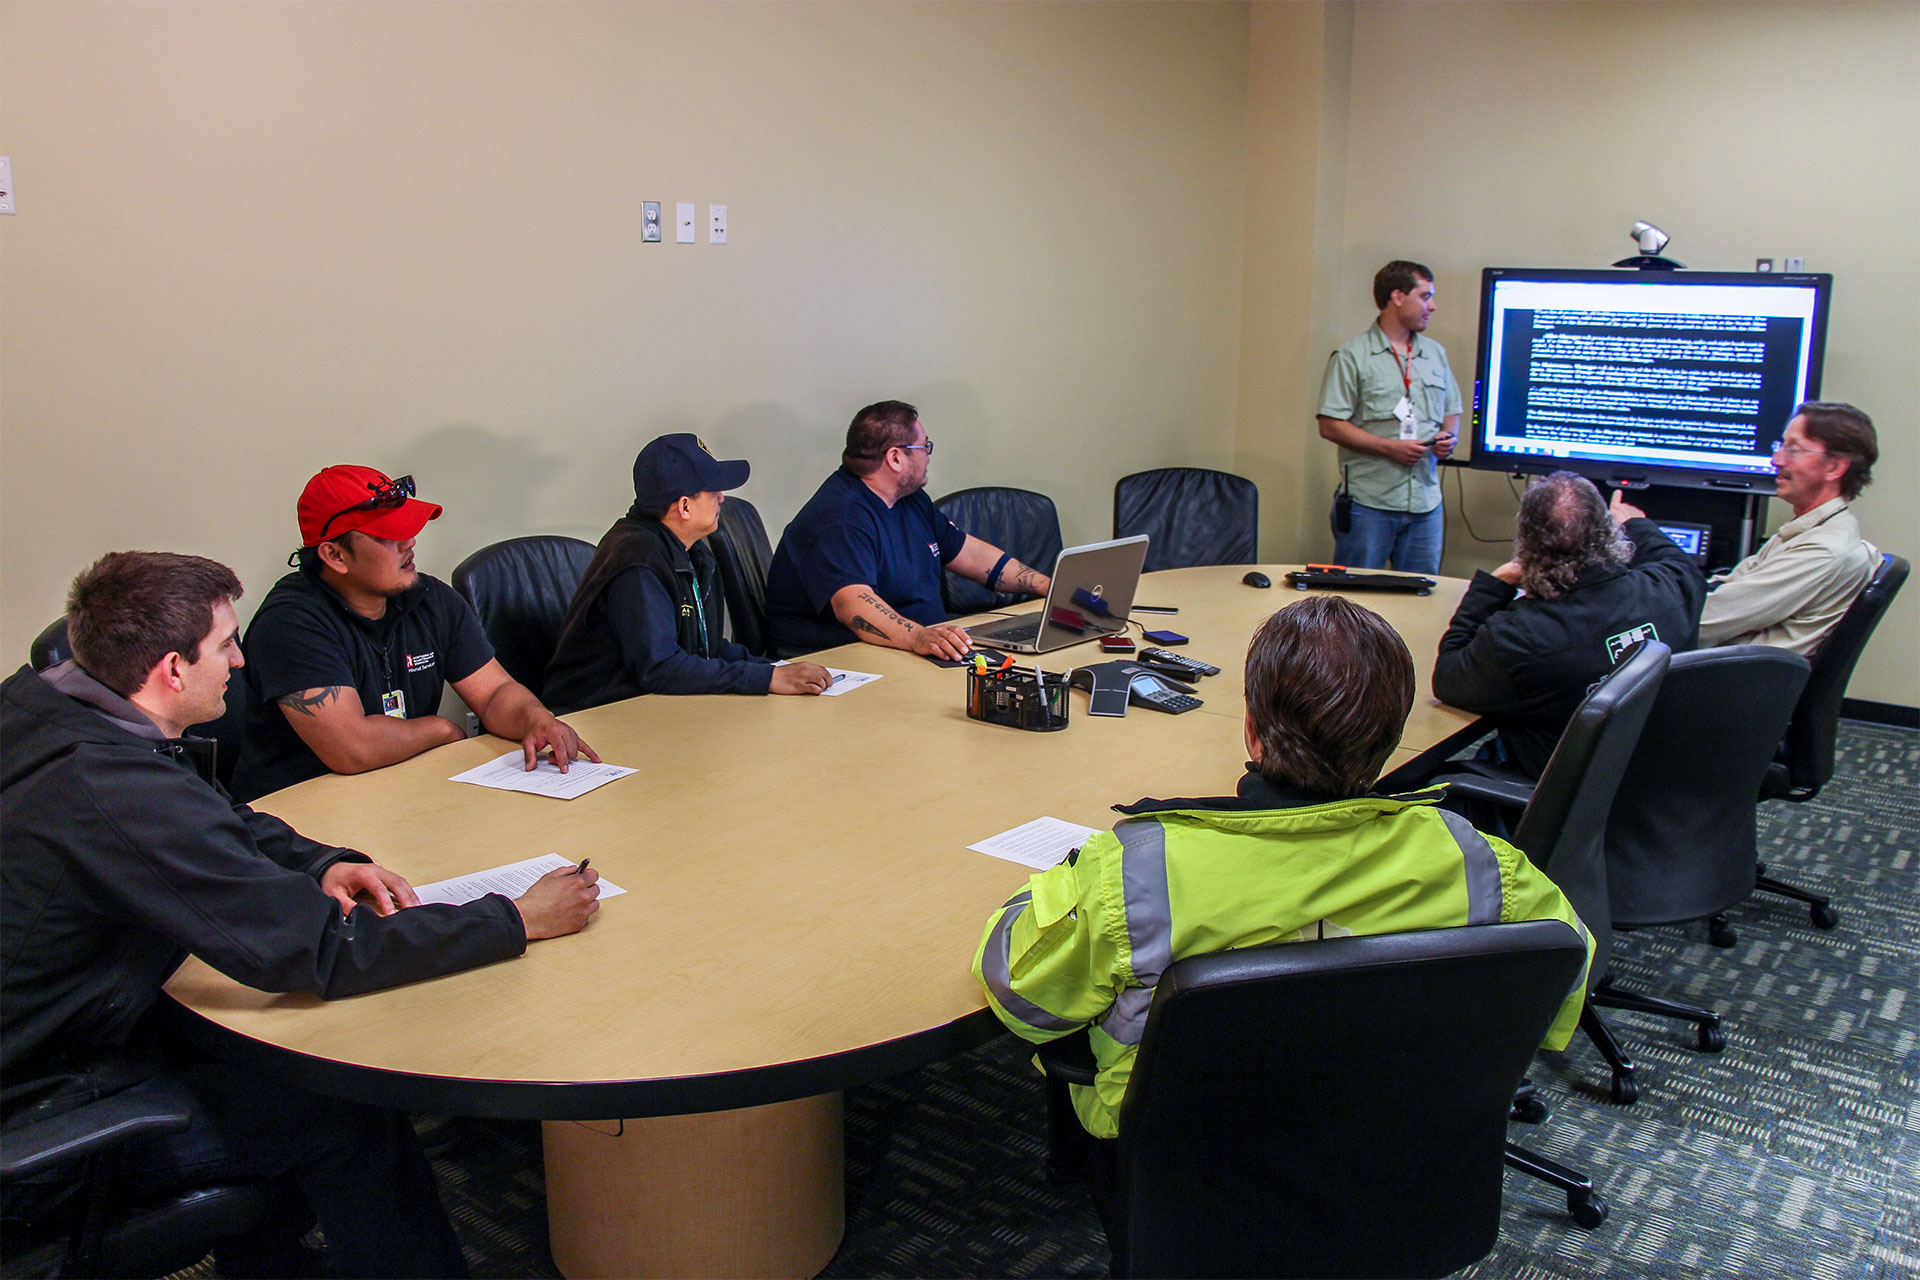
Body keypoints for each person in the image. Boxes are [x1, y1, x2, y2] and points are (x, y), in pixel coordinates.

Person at [1, 551, 602, 1278]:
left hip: (66, 1021)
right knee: (342, 1111)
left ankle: (267, 1264)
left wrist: (319, 861)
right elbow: (321, 952)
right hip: (41, 1112)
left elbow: (205, 814)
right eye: (224, 644)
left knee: (260, 1058)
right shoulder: (111, 790)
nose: (241, 659)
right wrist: (515, 918)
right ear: (171, 670)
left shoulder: (48, 707)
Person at [973, 594, 1592, 1143]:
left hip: (1182, 1148)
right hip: (1396, 1133)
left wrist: (1043, 895)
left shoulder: (1138, 870)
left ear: (1250, 732)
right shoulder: (1474, 857)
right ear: (1395, 736)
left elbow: (1024, 996)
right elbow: (1560, 972)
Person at [233, 465, 596, 803]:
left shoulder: (430, 599)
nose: (410, 543)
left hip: (402, 792)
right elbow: (352, 748)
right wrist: (441, 730)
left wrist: (535, 717)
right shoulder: (290, 624)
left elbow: (494, 693)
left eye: (409, 527)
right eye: (389, 535)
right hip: (301, 816)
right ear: (334, 555)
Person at [1432, 470, 1705, 779]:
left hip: (1559, 795)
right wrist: (1633, 522)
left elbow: (1448, 678)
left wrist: (1494, 585)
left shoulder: (1521, 636)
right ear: (1610, 534)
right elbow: (1669, 554)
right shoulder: (1675, 587)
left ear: (1524, 543)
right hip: (1657, 781)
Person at [545, 434, 832, 712]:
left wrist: (773, 669)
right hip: (598, 717)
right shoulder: (638, 560)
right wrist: (766, 679)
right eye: (713, 491)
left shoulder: (689, 551)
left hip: (656, 708)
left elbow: (704, 648)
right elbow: (660, 668)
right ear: (684, 506)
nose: (721, 498)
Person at [764, 400, 1053, 659]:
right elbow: (853, 606)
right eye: (924, 447)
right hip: (842, 657)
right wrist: (918, 637)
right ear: (895, 458)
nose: (928, 456)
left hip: (915, 645)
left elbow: (970, 554)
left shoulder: (910, 499)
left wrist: (1047, 586)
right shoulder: (840, 517)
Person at [1698, 402, 1881, 656]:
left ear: (1835, 468)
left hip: (1728, 682)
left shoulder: (1822, 550)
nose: (1776, 459)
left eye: (1793, 449)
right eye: (1781, 446)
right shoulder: (1808, 529)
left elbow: (1703, 622)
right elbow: (1726, 589)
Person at [1316, 260, 1463, 574]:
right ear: (1397, 297)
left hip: (1426, 505)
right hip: (1369, 506)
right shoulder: (1352, 356)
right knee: (1355, 604)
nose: (1433, 306)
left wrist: (1448, 438)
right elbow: (1329, 425)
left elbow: (1452, 410)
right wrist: (1389, 448)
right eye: (1425, 296)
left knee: (1422, 603)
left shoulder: (1435, 353)